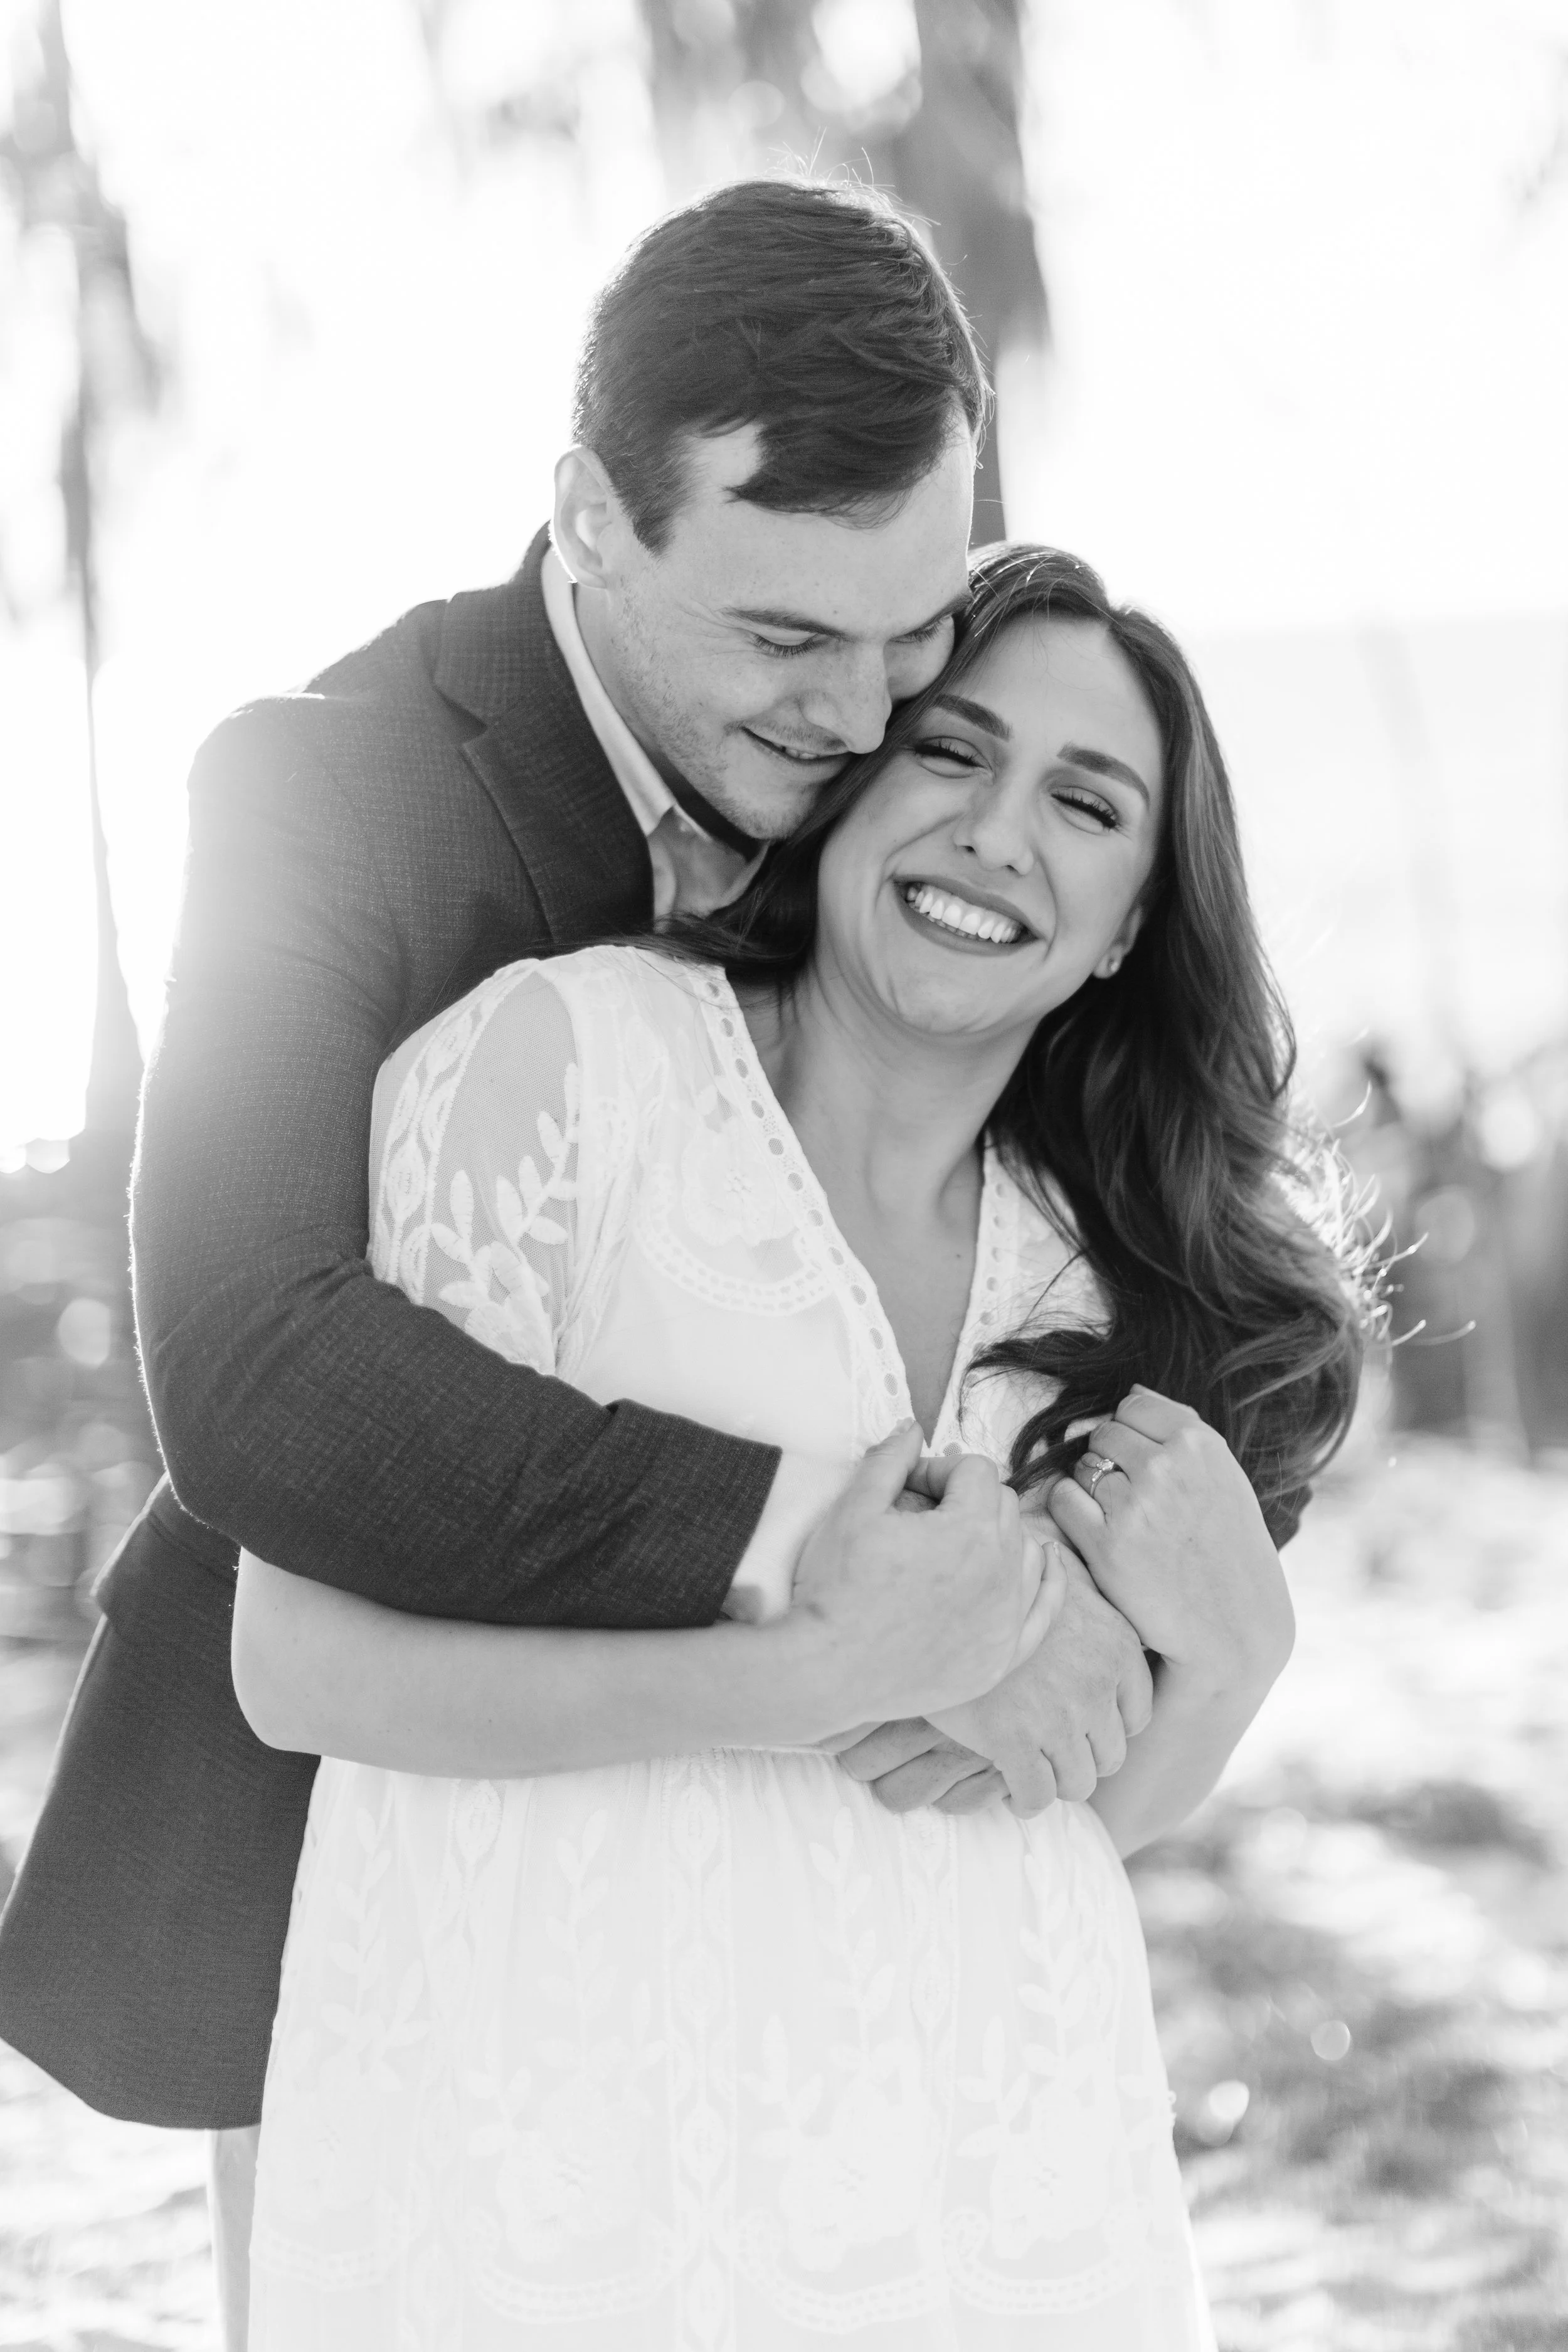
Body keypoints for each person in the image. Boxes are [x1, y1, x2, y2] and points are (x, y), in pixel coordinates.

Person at [0, 178, 1157, 2342]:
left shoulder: (915, 729)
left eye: (909, 627)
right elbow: (252, 1361)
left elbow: (1111, 1148)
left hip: (825, 1877)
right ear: (587, 519)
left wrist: (1213, 1580)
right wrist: (813, 1539)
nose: (864, 714)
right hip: (365, 1778)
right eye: (784, 639)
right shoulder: (319, 795)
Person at [231, 544, 1374, 2346]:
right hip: (543, 2165)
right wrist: (806, 1677)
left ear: (1132, 921)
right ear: (849, 787)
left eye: (1084, 803)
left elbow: (1045, 1827)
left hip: (989, 2198)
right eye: (949, 753)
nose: (999, 830)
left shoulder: (1122, 1289)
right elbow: (296, 1663)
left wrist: (1228, 1672)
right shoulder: (557, 1071)